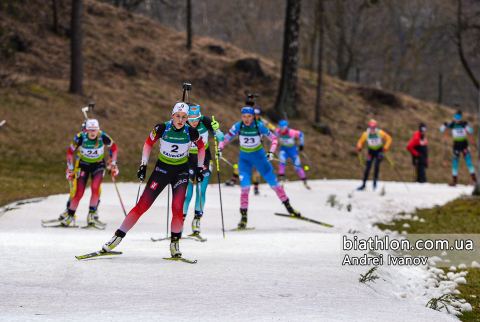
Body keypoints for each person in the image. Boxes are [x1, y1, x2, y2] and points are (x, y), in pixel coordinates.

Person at [102, 102, 206, 259]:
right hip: (161, 170)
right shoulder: (161, 128)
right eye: (177, 116)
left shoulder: (191, 132)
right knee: (142, 206)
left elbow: (202, 147)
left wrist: (199, 168)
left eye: (184, 117)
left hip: (180, 173)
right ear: (172, 116)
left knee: (178, 208)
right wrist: (143, 165)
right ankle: (116, 238)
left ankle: (175, 244)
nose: (180, 120)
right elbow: (148, 143)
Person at [218, 106, 301, 229]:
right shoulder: (238, 126)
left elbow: (273, 139)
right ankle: (243, 219)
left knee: (275, 185)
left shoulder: (259, 126)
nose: (246, 119)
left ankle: (290, 209)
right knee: (245, 188)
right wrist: (219, 148)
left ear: (253, 117)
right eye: (244, 116)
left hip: (260, 158)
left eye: (249, 117)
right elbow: (224, 138)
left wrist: (271, 152)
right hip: (244, 160)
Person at [61, 119, 118, 228]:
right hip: (83, 165)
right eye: (90, 130)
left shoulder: (103, 136)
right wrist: (70, 168)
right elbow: (70, 151)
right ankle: (70, 216)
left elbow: (114, 148)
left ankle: (92, 216)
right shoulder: (80, 137)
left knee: (95, 188)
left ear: (98, 129)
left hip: (98, 165)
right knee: (79, 192)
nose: (92, 132)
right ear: (86, 130)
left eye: (95, 130)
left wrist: (113, 164)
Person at [183, 103, 224, 236]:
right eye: (191, 119)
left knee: (201, 191)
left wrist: (217, 130)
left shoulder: (206, 121)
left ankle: (196, 221)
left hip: (204, 160)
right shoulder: (182, 123)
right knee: (187, 194)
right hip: (188, 161)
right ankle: (180, 222)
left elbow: (221, 138)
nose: (194, 122)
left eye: (196, 119)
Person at [440, 110, 477, 186]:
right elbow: (441, 130)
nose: (457, 122)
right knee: (455, 164)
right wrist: (444, 125)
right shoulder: (452, 124)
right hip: (456, 146)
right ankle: (454, 181)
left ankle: (475, 181)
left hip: (465, 145)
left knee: (469, 162)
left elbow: (471, 131)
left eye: (458, 120)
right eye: (455, 120)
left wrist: (466, 127)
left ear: (460, 119)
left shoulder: (464, 123)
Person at [356, 119, 392, 190]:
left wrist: (385, 147)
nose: (372, 129)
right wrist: (359, 148)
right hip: (371, 151)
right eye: (371, 127)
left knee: (376, 164)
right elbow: (360, 141)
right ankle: (363, 184)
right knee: (368, 167)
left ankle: (375, 181)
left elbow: (389, 138)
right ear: (369, 127)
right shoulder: (366, 134)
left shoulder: (380, 132)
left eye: (374, 127)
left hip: (379, 150)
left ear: (376, 127)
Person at [275, 119, 309, 188]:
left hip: (293, 150)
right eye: (280, 128)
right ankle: (281, 180)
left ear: (285, 127)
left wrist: (301, 145)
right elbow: (274, 137)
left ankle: (304, 180)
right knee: (281, 162)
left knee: (297, 167)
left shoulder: (291, 132)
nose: (281, 130)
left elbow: (302, 135)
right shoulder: (277, 131)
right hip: (284, 149)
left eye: (282, 128)